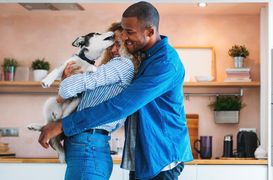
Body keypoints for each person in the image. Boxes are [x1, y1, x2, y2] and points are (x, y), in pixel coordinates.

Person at [38, 1, 193, 179]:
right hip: (144, 158)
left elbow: (121, 106)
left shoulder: (165, 64)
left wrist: (63, 125)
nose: (124, 37)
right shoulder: (140, 58)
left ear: (150, 32)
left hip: (161, 157)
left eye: (129, 32)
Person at [58, 22, 140, 180]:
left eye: (119, 44)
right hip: (89, 145)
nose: (114, 50)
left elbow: (65, 90)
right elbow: (70, 97)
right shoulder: (111, 69)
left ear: (128, 44)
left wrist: (66, 81)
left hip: (88, 145)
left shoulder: (122, 64)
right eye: (111, 45)